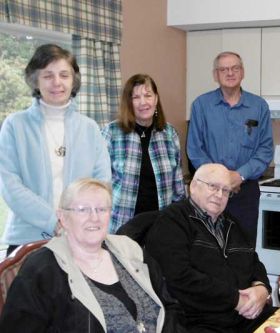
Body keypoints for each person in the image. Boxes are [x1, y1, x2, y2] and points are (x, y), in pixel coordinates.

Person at [0, 178, 188, 332]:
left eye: (102, 209)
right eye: (83, 209)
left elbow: (169, 307)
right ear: (63, 217)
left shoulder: (131, 251)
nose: (94, 217)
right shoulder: (41, 270)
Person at [0, 44, 111, 255]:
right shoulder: (15, 125)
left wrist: (78, 220)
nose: (57, 82)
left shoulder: (89, 128)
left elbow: (101, 183)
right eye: (48, 75)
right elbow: (10, 186)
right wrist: (55, 222)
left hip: (81, 237)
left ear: (73, 80)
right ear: (35, 80)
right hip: (27, 239)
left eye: (64, 75)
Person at [145, 163, 275, 333]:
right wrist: (235, 299)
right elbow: (178, 278)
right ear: (193, 186)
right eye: (213, 187)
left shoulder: (231, 223)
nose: (219, 195)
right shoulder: (172, 221)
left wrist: (262, 288)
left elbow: (253, 261)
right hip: (200, 322)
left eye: (226, 190)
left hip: (246, 317)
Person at [187, 51, 273, 247]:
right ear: (216, 75)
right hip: (208, 190)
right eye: (224, 69)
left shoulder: (258, 106)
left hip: (245, 191)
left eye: (235, 68)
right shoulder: (201, 105)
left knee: (242, 247)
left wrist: (240, 175)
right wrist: (218, 179)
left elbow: (265, 149)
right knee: (207, 246)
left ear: (242, 72)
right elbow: (195, 148)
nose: (230, 73)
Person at [102, 74, 185, 233]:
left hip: (160, 226)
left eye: (148, 95)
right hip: (121, 225)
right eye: (136, 97)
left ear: (156, 99)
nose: (143, 102)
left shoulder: (169, 133)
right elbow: (98, 182)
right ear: (129, 102)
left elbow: (178, 187)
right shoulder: (111, 133)